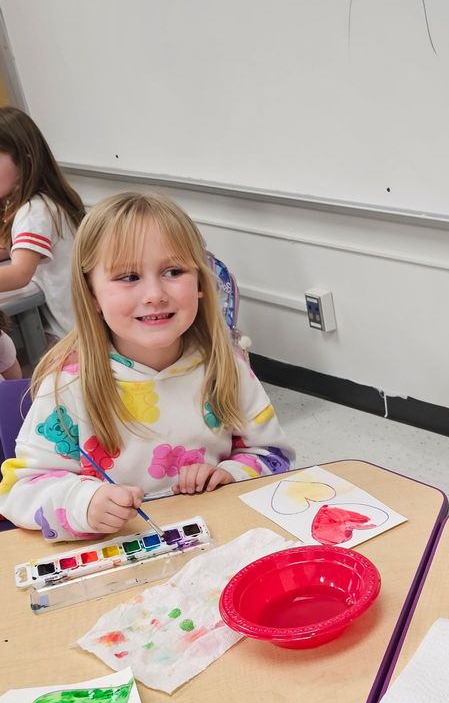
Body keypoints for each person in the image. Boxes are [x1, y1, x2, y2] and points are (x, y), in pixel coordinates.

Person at [0, 191, 293, 540]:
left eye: (173, 271)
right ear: (92, 293)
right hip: (116, 554)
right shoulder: (67, 385)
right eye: (128, 277)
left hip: (214, 538)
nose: (154, 294)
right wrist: (82, 503)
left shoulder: (227, 363)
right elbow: (19, 490)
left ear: (199, 282)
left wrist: (231, 472)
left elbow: (272, 454)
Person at [0, 106, 85, 344]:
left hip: (69, 334)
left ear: (25, 161)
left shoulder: (34, 210)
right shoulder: (44, 201)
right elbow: (18, 249)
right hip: (73, 324)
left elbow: (19, 274)